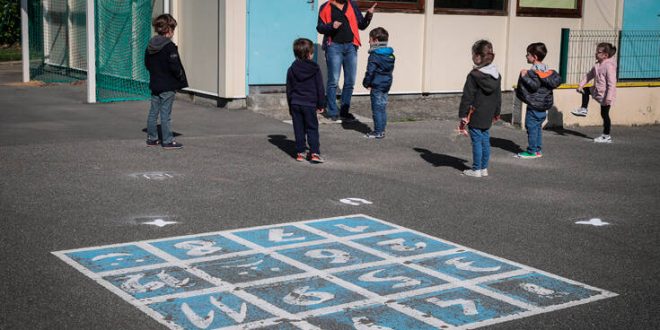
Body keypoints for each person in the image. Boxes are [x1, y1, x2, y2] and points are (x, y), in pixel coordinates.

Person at [317, 0, 376, 122]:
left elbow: (361, 25)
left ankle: (344, 112)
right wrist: (331, 26)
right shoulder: (326, 7)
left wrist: (369, 15)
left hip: (350, 46)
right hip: (333, 46)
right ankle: (332, 112)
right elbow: (320, 27)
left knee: (350, 81)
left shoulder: (352, 5)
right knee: (333, 81)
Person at [459, 40, 501, 178]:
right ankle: (484, 168)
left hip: (475, 112)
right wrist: (497, 113)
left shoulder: (473, 75)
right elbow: (498, 96)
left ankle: (476, 169)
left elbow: (467, 96)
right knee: (485, 140)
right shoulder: (496, 74)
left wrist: (463, 115)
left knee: (476, 141)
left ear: (477, 56)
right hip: (488, 113)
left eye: (472, 54)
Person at [145, 14, 188, 149]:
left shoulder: (150, 46)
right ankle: (168, 141)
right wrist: (180, 76)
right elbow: (175, 66)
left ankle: (152, 138)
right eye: (173, 29)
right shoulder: (170, 47)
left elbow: (147, 64)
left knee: (153, 112)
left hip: (155, 84)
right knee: (165, 114)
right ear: (168, 30)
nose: (173, 33)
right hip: (168, 85)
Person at [515, 42, 562, 158]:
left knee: (531, 127)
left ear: (534, 57)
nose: (526, 56)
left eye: (528, 54)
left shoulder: (534, 71)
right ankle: (537, 150)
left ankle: (531, 151)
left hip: (534, 104)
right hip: (544, 105)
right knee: (537, 128)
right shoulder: (546, 69)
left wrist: (524, 76)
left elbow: (534, 86)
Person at [286, 38, 326, 163]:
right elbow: (320, 87)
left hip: (295, 103)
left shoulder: (291, 69)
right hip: (309, 103)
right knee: (312, 128)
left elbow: (289, 89)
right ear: (309, 54)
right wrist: (321, 104)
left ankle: (300, 153)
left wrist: (290, 107)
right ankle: (314, 153)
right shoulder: (315, 69)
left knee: (299, 128)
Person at [571, 42, 618, 143]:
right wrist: (581, 85)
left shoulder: (609, 66)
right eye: (596, 51)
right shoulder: (597, 65)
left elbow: (612, 83)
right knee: (585, 90)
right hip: (597, 90)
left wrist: (609, 97)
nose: (596, 53)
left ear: (605, 55)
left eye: (598, 52)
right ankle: (583, 109)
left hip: (606, 94)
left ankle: (606, 135)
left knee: (604, 114)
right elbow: (589, 75)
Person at [362, 27, 395, 139]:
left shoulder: (375, 55)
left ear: (376, 41)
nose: (368, 42)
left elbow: (370, 72)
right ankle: (382, 129)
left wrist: (366, 83)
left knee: (376, 108)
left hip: (376, 85)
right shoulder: (390, 55)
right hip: (386, 84)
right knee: (382, 107)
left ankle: (378, 132)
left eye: (370, 39)